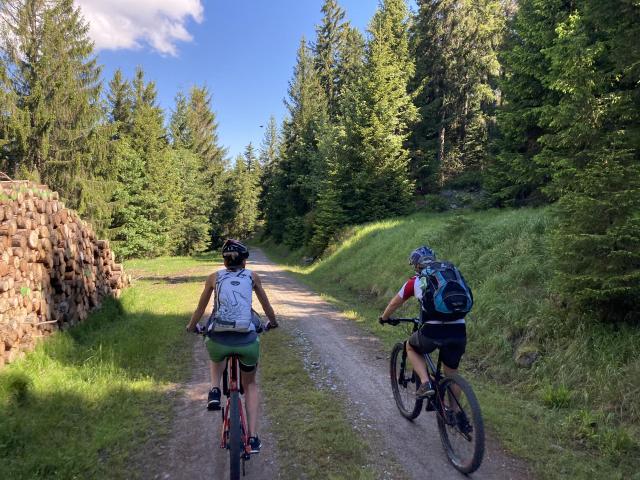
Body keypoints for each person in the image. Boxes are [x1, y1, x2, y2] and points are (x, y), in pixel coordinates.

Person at [186, 239, 278, 454]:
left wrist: (192, 327)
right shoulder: (253, 277)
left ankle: (215, 390)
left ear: (224, 260)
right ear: (244, 261)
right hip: (247, 342)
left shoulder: (213, 278)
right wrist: (272, 323)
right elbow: (267, 306)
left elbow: (200, 309)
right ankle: (253, 438)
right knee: (251, 385)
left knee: (215, 352)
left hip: (219, 340)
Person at [379, 246, 467, 399]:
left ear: (416, 265)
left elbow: (394, 303)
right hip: (459, 328)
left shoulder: (415, 281)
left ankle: (425, 383)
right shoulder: (450, 275)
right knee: (452, 373)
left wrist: (384, 317)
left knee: (410, 347)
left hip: (433, 331)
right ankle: (456, 416)